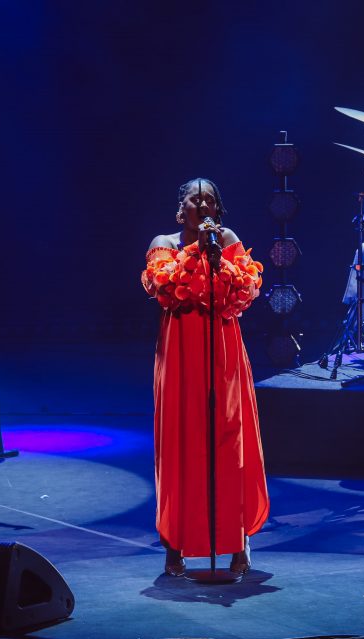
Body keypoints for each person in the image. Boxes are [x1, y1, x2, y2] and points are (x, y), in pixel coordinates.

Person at [141, 178, 270, 576]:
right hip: (179, 352)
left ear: (217, 210)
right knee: (180, 442)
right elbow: (164, 289)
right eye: (195, 199)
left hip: (222, 350)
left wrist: (217, 258)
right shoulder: (163, 243)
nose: (202, 204)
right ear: (181, 209)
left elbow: (244, 292)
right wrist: (198, 251)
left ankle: (237, 543)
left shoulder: (227, 240)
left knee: (228, 441)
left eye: (210, 200)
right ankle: (175, 544)